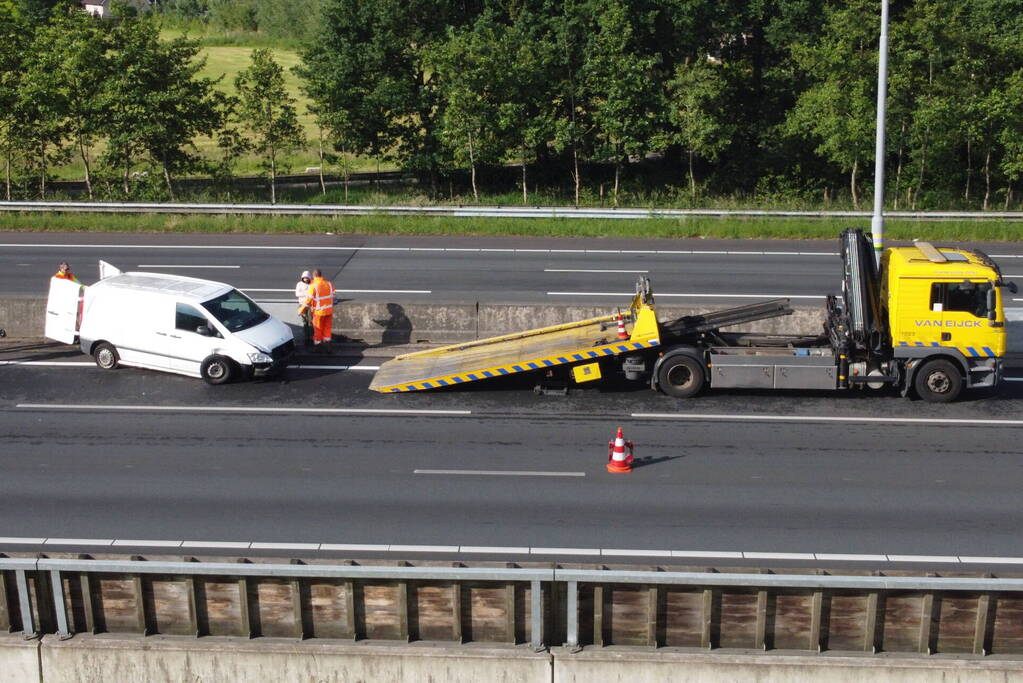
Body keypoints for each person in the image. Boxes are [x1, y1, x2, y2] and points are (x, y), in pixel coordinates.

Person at [298, 268, 335, 350]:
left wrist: (301, 309)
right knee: (327, 328)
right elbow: (333, 294)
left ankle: (318, 346)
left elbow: (308, 300)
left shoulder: (313, 286)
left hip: (318, 312)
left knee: (318, 329)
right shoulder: (329, 284)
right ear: (321, 275)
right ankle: (327, 344)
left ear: (314, 276)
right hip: (329, 311)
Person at [294, 270, 313, 346]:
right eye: (304, 278)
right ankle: (306, 337)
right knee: (305, 321)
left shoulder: (312, 284)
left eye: (307, 278)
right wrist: (306, 294)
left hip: (310, 305)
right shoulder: (299, 284)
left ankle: (311, 337)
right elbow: (297, 294)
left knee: (311, 322)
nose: (306, 279)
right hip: (302, 305)